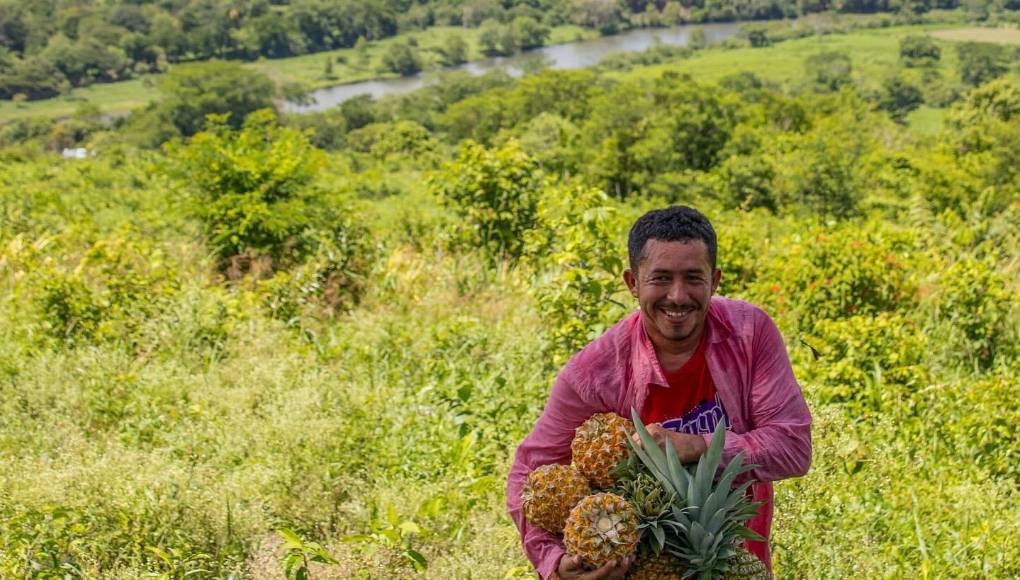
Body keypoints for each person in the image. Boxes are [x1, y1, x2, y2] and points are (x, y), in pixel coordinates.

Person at [507, 206, 812, 579]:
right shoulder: (595, 372)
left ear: (715, 280)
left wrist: (699, 446)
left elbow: (793, 447)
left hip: (735, 562)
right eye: (661, 278)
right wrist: (553, 564)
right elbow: (528, 471)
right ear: (632, 282)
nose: (678, 296)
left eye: (693, 278)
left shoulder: (751, 334)